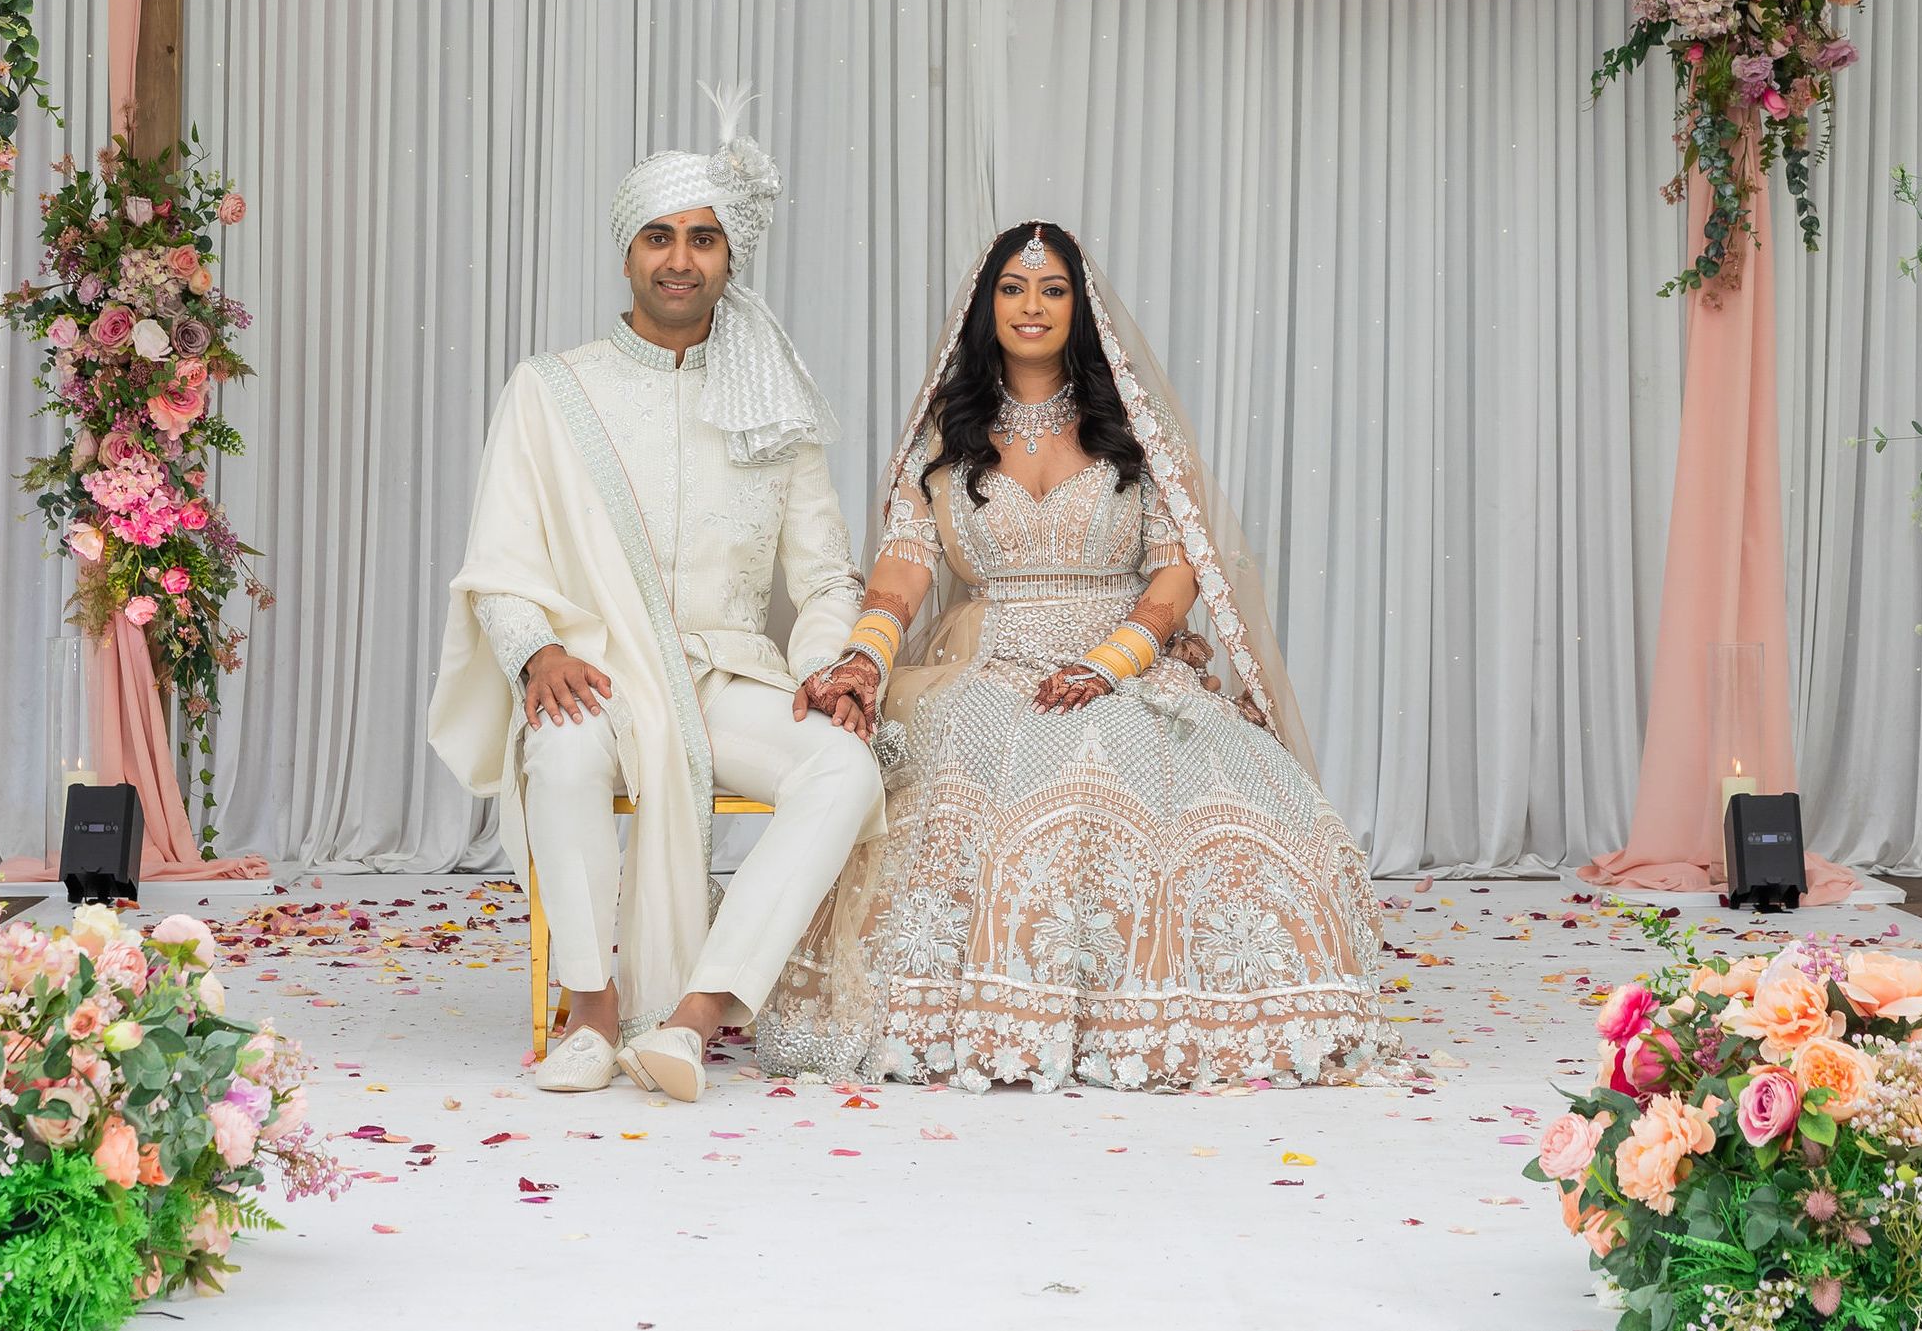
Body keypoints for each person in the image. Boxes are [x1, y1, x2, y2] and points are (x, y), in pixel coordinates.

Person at [757, 221, 1391, 1090]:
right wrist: (866, 655)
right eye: (1014, 289)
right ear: (987, 307)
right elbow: (906, 565)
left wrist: (1113, 661)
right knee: (995, 761)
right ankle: (990, 1005)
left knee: (1127, 766)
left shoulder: (1130, 422)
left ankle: (1153, 1013)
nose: (1032, 305)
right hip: (983, 663)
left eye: (1052, 288)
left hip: (1121, 659)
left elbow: (1178, 566)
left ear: (1078, 306)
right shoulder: (951, 426)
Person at [427, 88, 882, 1104]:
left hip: (727, 673)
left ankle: (694, 1013)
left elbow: (820, 573)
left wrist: (821, 667)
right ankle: (590, 1012)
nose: (680, 258)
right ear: (626, 252)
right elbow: (499, 558)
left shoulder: (777, 401)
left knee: (843, 767)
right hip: (596, 664)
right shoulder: (551, 388)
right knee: (564, 741)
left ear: (730, 256)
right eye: (659, 236)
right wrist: (534, 653)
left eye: (703, 239)